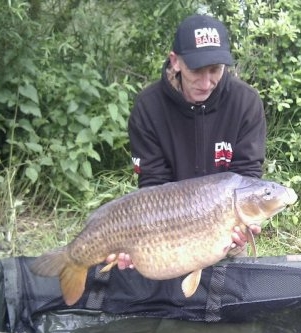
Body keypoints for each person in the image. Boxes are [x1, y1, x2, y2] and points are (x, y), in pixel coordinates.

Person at [107, 14, 266, 269]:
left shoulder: (245, 103)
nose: (206, 83)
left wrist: (242, 226)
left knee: (228, 299)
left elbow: (247, 178)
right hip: (168, 236)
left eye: (214, 70)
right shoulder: (148, 107)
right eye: (196, 70)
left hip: (224, 230)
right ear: (176, 61)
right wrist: (136, 242)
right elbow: (152, 187)